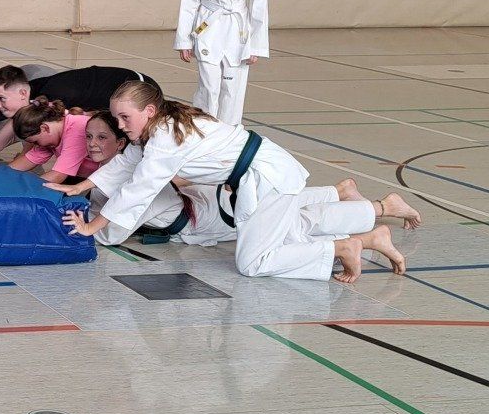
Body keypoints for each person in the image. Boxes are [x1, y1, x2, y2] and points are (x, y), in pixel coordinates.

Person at [56, 81, 417, 283]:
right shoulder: (160, 129)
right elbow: (127, 162)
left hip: (267, 176)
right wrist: (78, 188)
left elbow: (139, 189)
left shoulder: (165, 138)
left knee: (254, 262)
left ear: (148, 111)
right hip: (259, 176)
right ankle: (371, 227)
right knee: (293, 228)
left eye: (124, 117)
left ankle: (343, 247)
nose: (121, 125)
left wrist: (91, 227)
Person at [0, 64, 157, 159]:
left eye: (1, 98)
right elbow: (2, 138)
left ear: (22, 94)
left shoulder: (55, 98)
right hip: (111, 93)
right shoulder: (33, 98)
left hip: (138, 88)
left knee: (124, 147)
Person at [7, 98, 100, 182]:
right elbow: (29, 159)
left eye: (35, 142)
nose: (37, 145)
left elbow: (58, 175)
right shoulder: (53, 136)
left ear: (44, 128)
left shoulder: (77, 130)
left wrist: (26, 190)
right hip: (91, 175)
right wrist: (2, 174)